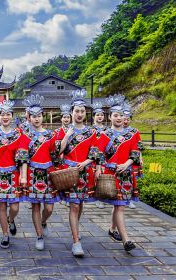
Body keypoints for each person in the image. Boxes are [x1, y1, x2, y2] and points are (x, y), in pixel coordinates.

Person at [95, 95, 141, 252]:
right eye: (116, 115)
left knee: (119, 205)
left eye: (121, 115)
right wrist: (99, 168)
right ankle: (126, 240)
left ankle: (111, 229)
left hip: (126, 173)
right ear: (110, 117)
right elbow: (99, 154)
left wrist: (127, 164)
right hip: (111, 174)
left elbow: (135, 152)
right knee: (120, 206)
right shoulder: (104, 134)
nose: (119, 118)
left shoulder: (134, 133)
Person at [58, 89, 99, 257]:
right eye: (77, 111)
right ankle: (76, 242)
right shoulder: (64, 131)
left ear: (85, 113)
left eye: (82, 111)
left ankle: (75, 228)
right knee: (74, 205)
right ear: (72, 113)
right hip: (69, 172)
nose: (80, 114)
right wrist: (67, 137)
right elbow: (58, 151)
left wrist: (86, 162)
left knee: (80, 204)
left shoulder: (92, 132)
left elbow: (96, 153)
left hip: (84, 172)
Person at [0, 100, 28, 249]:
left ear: (12, 116)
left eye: (8, 114)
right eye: (3, 114)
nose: (5, 117)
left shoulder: (18, 134)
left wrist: (23, 175)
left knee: (14, 207)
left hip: (13, 174)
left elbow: (22, 157)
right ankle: (5, 234)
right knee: (2, 205)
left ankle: (11, 219)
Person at [21, 95, 60, 251]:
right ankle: (39, 235)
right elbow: (23, 157)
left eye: (38, 116)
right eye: (33, 116)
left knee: (49, 208)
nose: (36, 119)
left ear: (42, 116)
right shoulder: (25, 135)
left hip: (48, 173)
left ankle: (43, 222)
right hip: (33, 173)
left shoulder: (51, 135)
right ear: (29, 118)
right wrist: (23, 176)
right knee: (36, 206)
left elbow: (55, 155)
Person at [122, 102, 143, 209]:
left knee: (131, 179)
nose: (125, 121)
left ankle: (129, 200)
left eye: (127, 119)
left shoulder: (135, 131)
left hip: (132, 159)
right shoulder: (117, 131)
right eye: (123, 118)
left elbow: (139, 147)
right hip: (121, 159)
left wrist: (140, 158)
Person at [53, 104, 72, 205]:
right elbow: (56, 147)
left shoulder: (74, 131)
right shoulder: (56, 132)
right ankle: (60, 196)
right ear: (61, 119)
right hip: (60, 158)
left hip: (71, 157)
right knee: (60, 179)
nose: (66, 119)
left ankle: (68, 197)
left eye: (68, 117)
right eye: (64, 117)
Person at [91, 101, 108, 210]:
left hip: (105, 156)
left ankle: (101, 198)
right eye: (97, 115)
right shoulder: (90, 130)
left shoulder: (107, 130)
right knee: (94, 177)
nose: (100, 116)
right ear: (93, 117)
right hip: (93, 157)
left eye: (101, 115)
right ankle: (95, 197)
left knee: (102, 177)